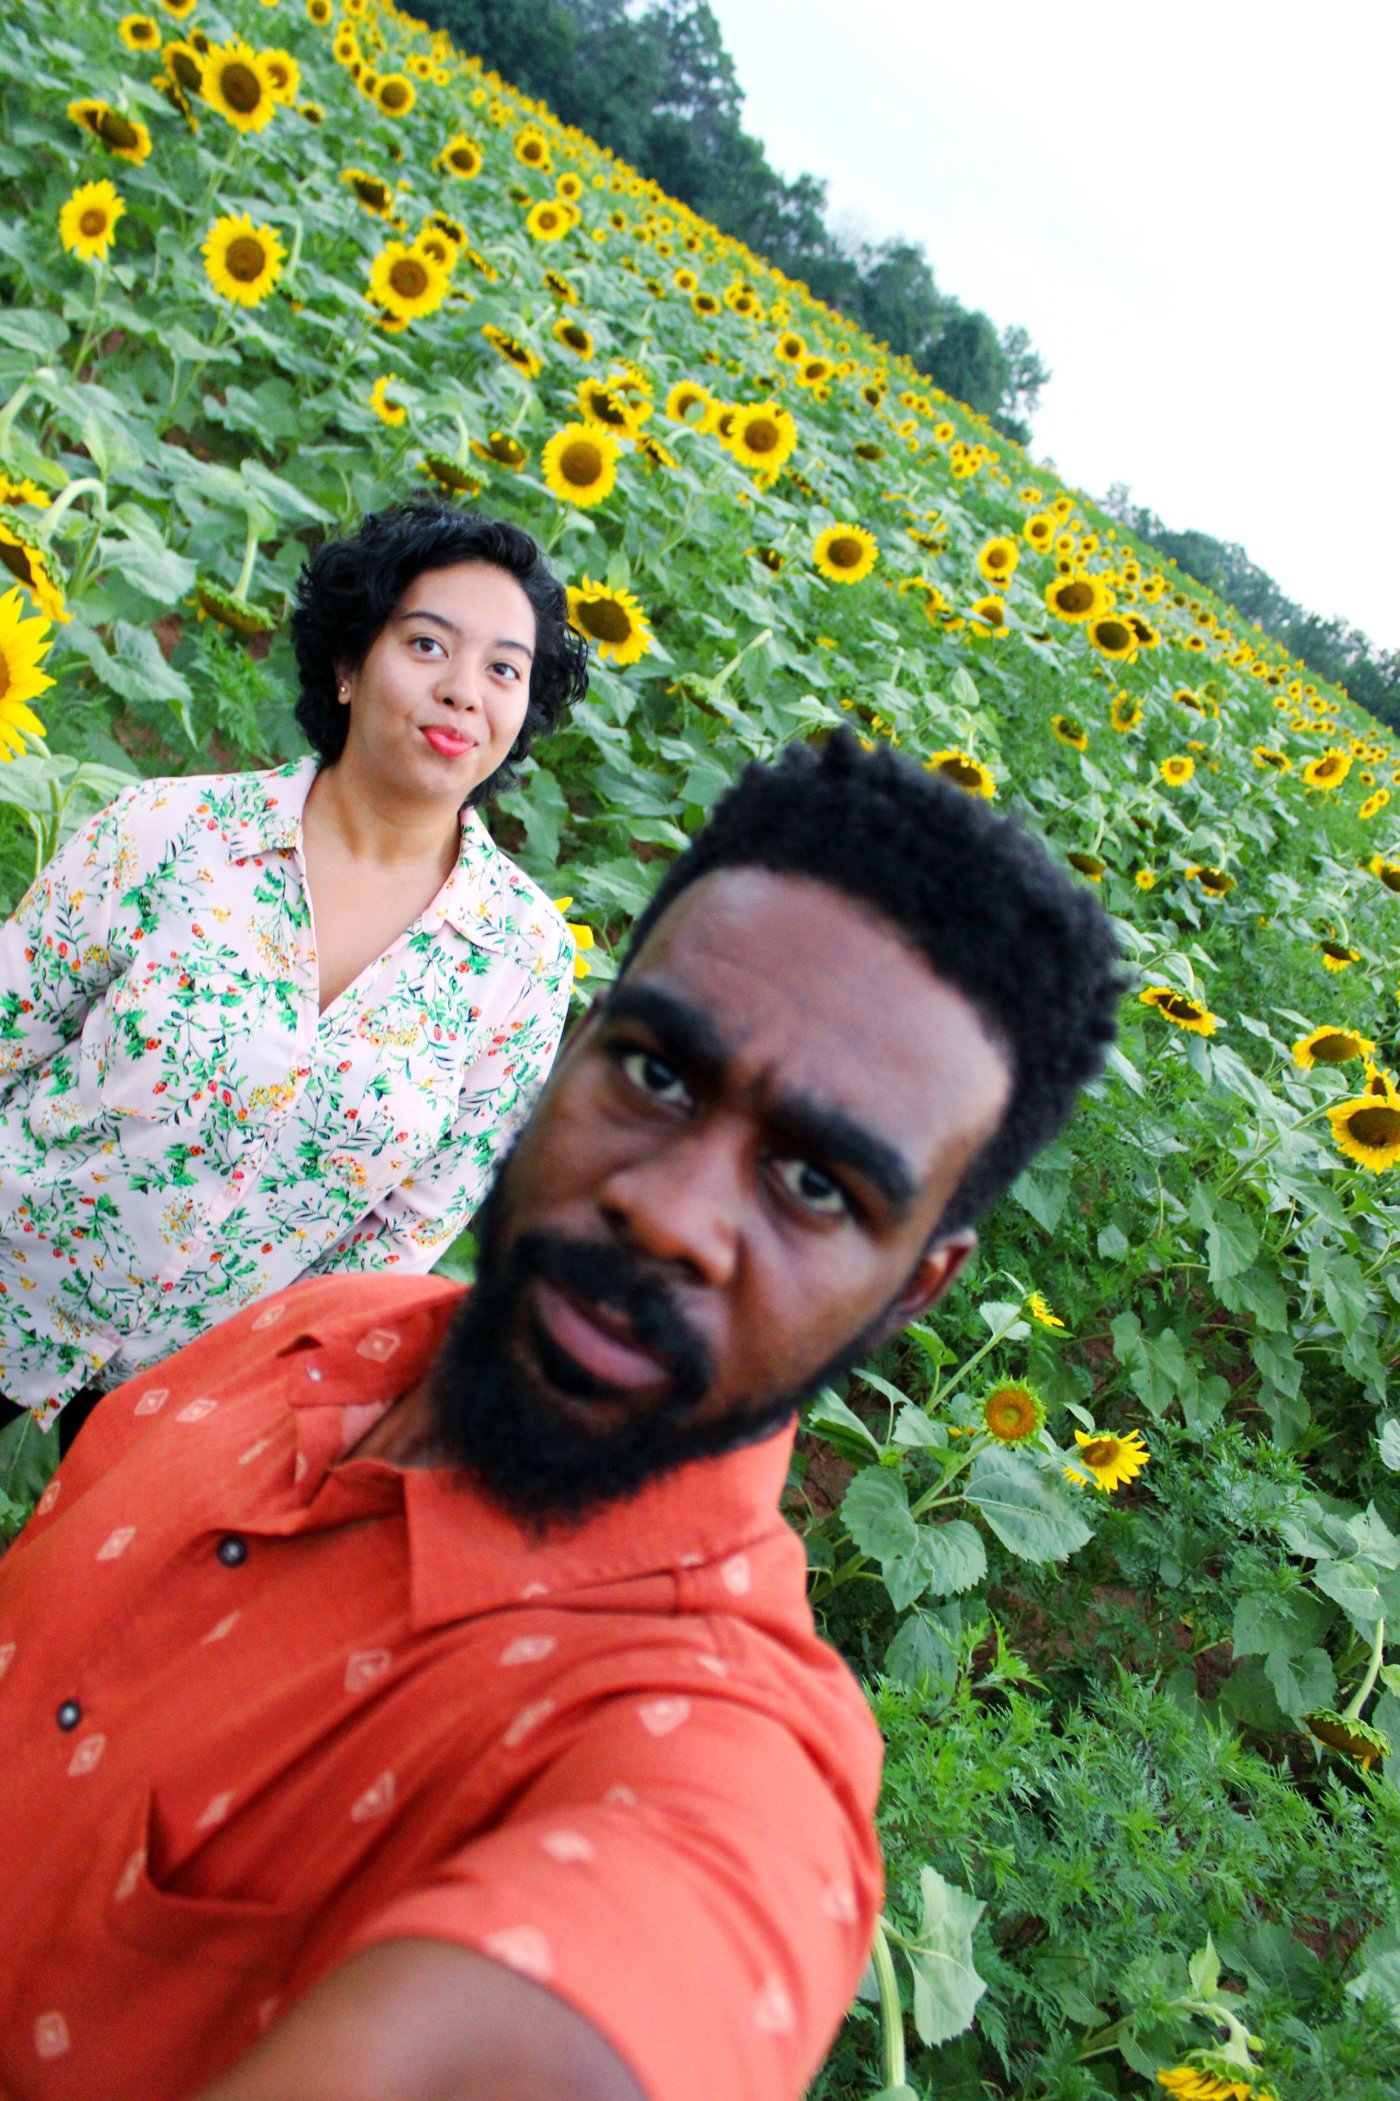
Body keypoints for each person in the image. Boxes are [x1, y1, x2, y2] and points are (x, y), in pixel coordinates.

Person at [0, 732, 1122, 2101]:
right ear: (575, 1046)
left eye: (817, 1186)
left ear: (914, 1291)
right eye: (658, 1075)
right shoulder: (297, 1334)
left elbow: (640, 1969)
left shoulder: (702, 1747)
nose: (670, 1208)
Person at [0, 501, 588, 1441]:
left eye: (504, 669)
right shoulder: (171, 833)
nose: (464, 690)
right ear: (350, 664)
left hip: (190, 1400)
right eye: (429, 645)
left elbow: (402, 1238)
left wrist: (269, 1404)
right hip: (16, 1272)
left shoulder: (522, 962)